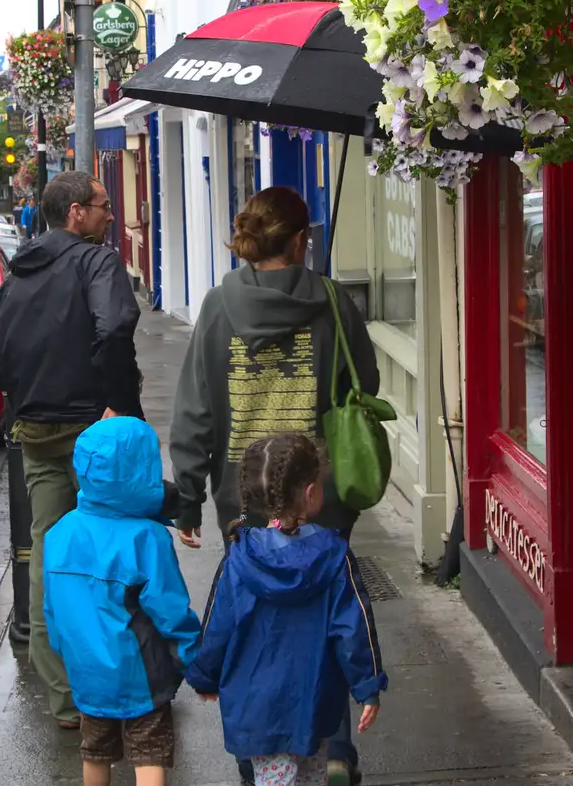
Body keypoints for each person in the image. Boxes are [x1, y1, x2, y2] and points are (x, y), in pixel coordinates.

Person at [168, 185, 379, 784]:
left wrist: (186, 492)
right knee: (327, 617)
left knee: (253, 622)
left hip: (246, 501)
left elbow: (197, 408)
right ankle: (334, 747)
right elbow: (365, 381)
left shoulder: (216, 305)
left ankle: (261, 760)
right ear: (299, 240)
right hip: (321, 495)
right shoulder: (332, 303)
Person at [0, 170, 143, 730]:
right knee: (119, 547)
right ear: (75, 213)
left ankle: (65, 696)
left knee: (49, 553)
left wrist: (23, 406)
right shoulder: (95, 261)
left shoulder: (17, 273)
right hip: (94, 431)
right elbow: (116, 325)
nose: (108, 215)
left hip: (35, 432)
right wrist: (118, 404)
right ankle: (127, 683)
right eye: (103, 206)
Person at [186, 433, 387, 786]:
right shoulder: (334, 558)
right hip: (314, 697)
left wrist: (206, 675)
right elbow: (353, 629)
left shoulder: (239, 559)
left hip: (258, 706)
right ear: (311, 492)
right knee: (312, 775)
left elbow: (219, 625)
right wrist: (367, 684)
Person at [44, 417, 201, 786]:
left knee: (95, 751)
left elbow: (52, 608)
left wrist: (64, 650)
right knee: (149, 753)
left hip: (86, 671)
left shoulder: (60, 532)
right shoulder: (147, 538)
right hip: (139, 676)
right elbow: (171, 612)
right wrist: (192, 659)